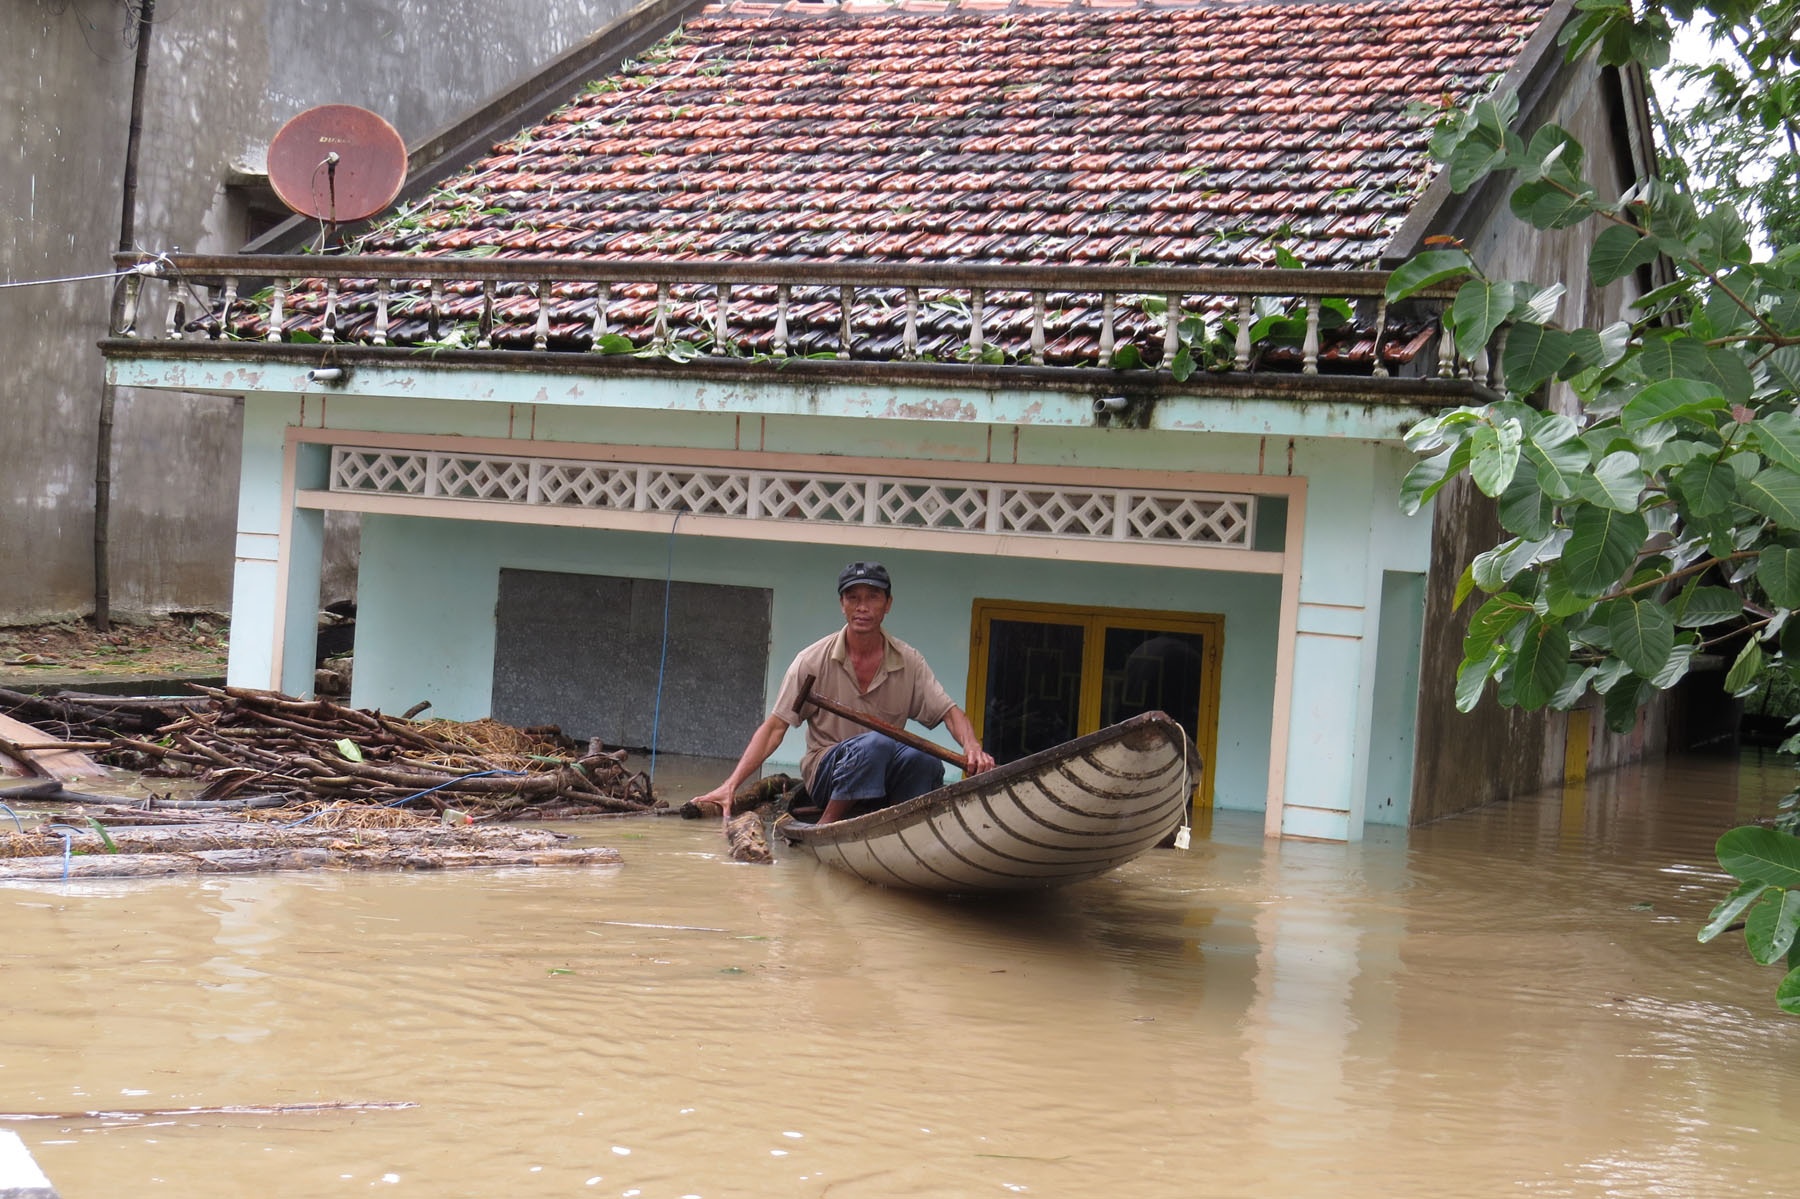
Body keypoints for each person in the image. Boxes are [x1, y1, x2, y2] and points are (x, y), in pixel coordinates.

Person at [694, 561, 994, 822]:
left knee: (925, 761)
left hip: (882, 774)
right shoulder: (811, 661)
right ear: (842, 604)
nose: (862, 607)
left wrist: (972, 748)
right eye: (853, 598)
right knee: (875, 743)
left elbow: (949, 713)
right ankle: (827, 826)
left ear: (887, 604)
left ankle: (904, 822)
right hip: (827, 775)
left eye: (873, 597)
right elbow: (775, 728)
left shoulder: (908, 661)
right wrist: (732, 783)